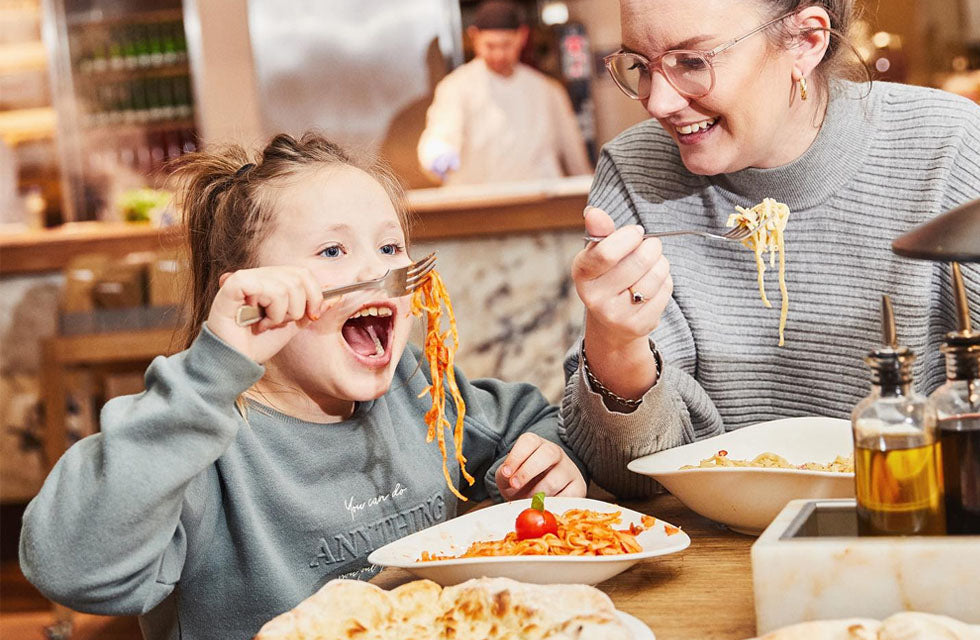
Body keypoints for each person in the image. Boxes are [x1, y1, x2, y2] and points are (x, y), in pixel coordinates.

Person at [19, 133, 587, 639]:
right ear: (250, 292)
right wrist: (209, 373)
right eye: (333, 251)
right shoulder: (195, 440)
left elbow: (534, 421)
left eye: (390, 248)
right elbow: (70, 567)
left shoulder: (418, 389)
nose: (376, 273)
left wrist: (545, 462)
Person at [559, 0, 980, 498]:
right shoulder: (636, 170)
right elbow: (627, 475)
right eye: (640, 66)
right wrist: (614, 344)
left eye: (692, 62)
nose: (657, 102)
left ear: (806, 42)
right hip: (711, 547)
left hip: (919, 520)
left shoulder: (949, 145)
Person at [416, 0, 592, 185]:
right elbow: (441, 134)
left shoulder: (548, 91)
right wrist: (438, 155)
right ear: (474, 36)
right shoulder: (455, 87)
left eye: (507, 45)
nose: (499, 55)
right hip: (479, 203)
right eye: (490, 46)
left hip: (539, 203)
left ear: (522, 37)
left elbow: (576, 158)